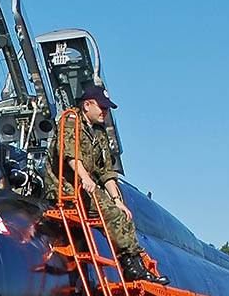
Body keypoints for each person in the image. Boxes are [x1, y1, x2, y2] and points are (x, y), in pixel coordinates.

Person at [47, 84, 167, 284]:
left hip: (85, 186)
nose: (105, 112)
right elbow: (70, 156)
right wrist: (85, 178)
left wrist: (117, 200)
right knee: (112, 215)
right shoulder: (71, 121)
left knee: (121, 213)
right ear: (87, 105)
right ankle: (131, 267)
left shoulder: (99, 133)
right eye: (101, 107)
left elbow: (107, 172)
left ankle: (133, 263)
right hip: (66, 186)